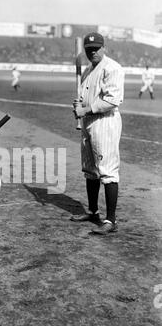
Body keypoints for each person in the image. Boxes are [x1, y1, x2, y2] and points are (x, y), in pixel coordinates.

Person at [71, 32, 125, 235]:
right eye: (89, 49)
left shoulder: (112, 68)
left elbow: (113, 100)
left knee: (108, 170)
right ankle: (93, 211)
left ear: (104, 48)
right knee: (90, 168)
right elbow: (86, 99)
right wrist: (79, 105)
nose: (92, 52)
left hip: (105, 122)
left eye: (96, 48)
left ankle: (111, 220)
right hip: (88, 122)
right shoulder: (87, 70)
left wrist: (85, 109)